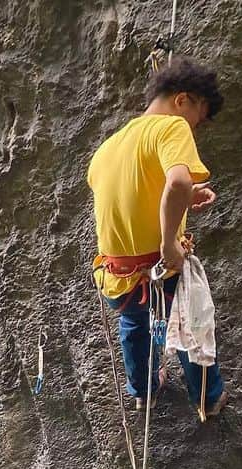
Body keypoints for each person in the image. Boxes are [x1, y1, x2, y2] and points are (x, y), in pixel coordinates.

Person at [88, 57, 228, 416]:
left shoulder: (107, 148)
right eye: (197, 120)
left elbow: (131, 196)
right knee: (186, 321)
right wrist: (169, 242)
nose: (193, 131)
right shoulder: (170, 129)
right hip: (158, 269)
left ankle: (144, 391)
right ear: (183, 100)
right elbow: (178, 180)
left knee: (134, 327)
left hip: (116, 276)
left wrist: (186, 198)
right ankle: (207, 399)